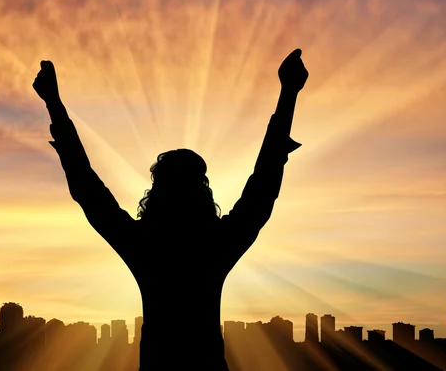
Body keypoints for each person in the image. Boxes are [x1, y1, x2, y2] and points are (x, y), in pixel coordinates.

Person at [32, 48, 308, 370]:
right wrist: (288, 94)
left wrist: (54, 103)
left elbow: (87, 189)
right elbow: (263, 187)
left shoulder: (143, 244)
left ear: (155, 193)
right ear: (203, 193)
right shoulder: (215, 244)